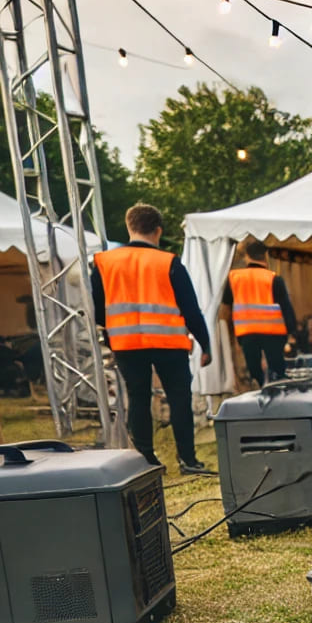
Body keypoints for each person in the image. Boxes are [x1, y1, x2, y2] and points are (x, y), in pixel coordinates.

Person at [89, 202, 212, 473]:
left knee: (138, 398)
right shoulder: (169, 262)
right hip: (169, 343)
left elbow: (96, 309)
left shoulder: (104, 263)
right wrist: (205, 344)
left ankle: (146, 460)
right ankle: (188, 460)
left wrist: (112, 334)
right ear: (158, 231)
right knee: (179, 398)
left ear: (129, 227)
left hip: (127, 343)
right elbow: (191, 309)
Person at [221, 237, 298, 387]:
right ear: (265, 256)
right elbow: (287, 310)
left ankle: (261, 392)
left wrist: (232, 334)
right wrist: (291, 333)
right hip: (273, 333)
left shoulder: (234, 278)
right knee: (278, 372)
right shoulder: (274, 279)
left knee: (255, 372)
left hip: (247, 333)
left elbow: (225, 310)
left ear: (246, 256)